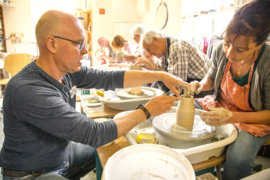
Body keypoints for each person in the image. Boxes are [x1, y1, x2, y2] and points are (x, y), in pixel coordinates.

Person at [0, 10, 190, 180]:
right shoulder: (29, 90)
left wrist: (161, 75)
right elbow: (94, 133)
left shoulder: (68, 72)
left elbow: (111, 78)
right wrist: (147, 111)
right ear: (52, 44)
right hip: (33, 173)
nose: (85, 51)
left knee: (116, 149)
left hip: (63, 154)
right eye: (78, 44)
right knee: (104, 140)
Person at [191, 0, 270, 179]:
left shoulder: (267, 62)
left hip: (253, 119)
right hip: (222, 106)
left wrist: (233, 117)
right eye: (227, 43)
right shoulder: (221, 49)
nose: (229, 53)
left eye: (240, 49)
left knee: (238, 160)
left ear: (261, 43)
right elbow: (210, 79)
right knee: (181, 108)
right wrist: (199, 85)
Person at [136, 30, 211, 97]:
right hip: (185, 83)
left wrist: (154, 67)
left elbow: (176, 84)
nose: (149, 54)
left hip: (202, 87)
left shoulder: (177, 48)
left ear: (156, 40)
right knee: (150, 90)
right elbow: (162, 76)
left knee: (164, 102)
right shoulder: (163, 50)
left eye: (149, 49)